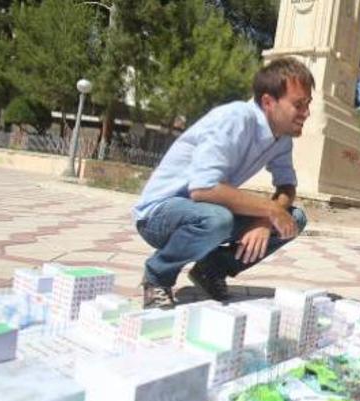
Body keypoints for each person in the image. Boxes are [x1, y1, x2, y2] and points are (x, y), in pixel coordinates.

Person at [133, 57, 313, 309]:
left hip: (203, 211)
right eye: (299, 104)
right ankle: (157, 277)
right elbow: (202, 189)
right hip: (159, 216)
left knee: (295, 219)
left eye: (308, 104)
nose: (306, 113)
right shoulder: (235, 119)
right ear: (268, 102)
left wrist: (264, 221)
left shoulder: (281, 139)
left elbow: (286, 187)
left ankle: (211, 270)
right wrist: (271, 210)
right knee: (217, 220)